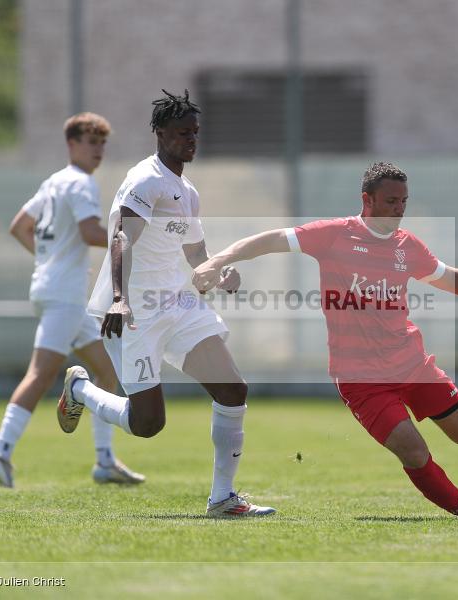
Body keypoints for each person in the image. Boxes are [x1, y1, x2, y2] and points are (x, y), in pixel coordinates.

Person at [191, 162, 458, 520]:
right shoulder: (334, 235)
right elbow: (271, 239)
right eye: (391, 201)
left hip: (412, 365)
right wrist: (218, 261)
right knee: (414, 451)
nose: (399, 210)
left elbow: (450, 278)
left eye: (404, 201)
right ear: (366, 200)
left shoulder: (408, 246)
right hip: (362, 381)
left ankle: (448, 399)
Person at [56, 90, 275, 518]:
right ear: (160, 133)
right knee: (148, 424)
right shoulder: (146, 180)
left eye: (195, 133)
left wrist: (220, 274)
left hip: (179, 304)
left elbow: (195, 257)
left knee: (233, 389)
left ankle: (223, 499)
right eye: (181, 133)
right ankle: (79, 388)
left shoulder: (187, 190)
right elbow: (121, 238)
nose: (190, 140)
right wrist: (119, 299)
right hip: (136, 313)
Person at [0, 113, 144, 488]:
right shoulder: (81, 182)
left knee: (106, 371)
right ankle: (0, 451)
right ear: (72, 144)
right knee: (40, 374)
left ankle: (105, 462)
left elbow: (19, 226)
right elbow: (89, 232)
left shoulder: (54, 181)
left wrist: (47, 260)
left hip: (57, 291)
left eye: (102, 142)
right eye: (91, 141)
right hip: (63, 296)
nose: (98, 149)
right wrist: (130, 242)